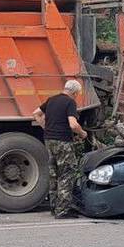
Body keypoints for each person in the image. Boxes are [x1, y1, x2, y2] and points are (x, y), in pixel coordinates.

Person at [32, 79, 88, 218]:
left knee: (54, 173)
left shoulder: (51, 100)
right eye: (77, 94)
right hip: (63, 142)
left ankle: (54, 207)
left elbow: (36, 113)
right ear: (75, 92)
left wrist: (46, 127)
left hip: (49, 140)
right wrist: (82, 133)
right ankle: (62, 211)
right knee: (66, 174)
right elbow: (73, 125)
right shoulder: (70, 102)